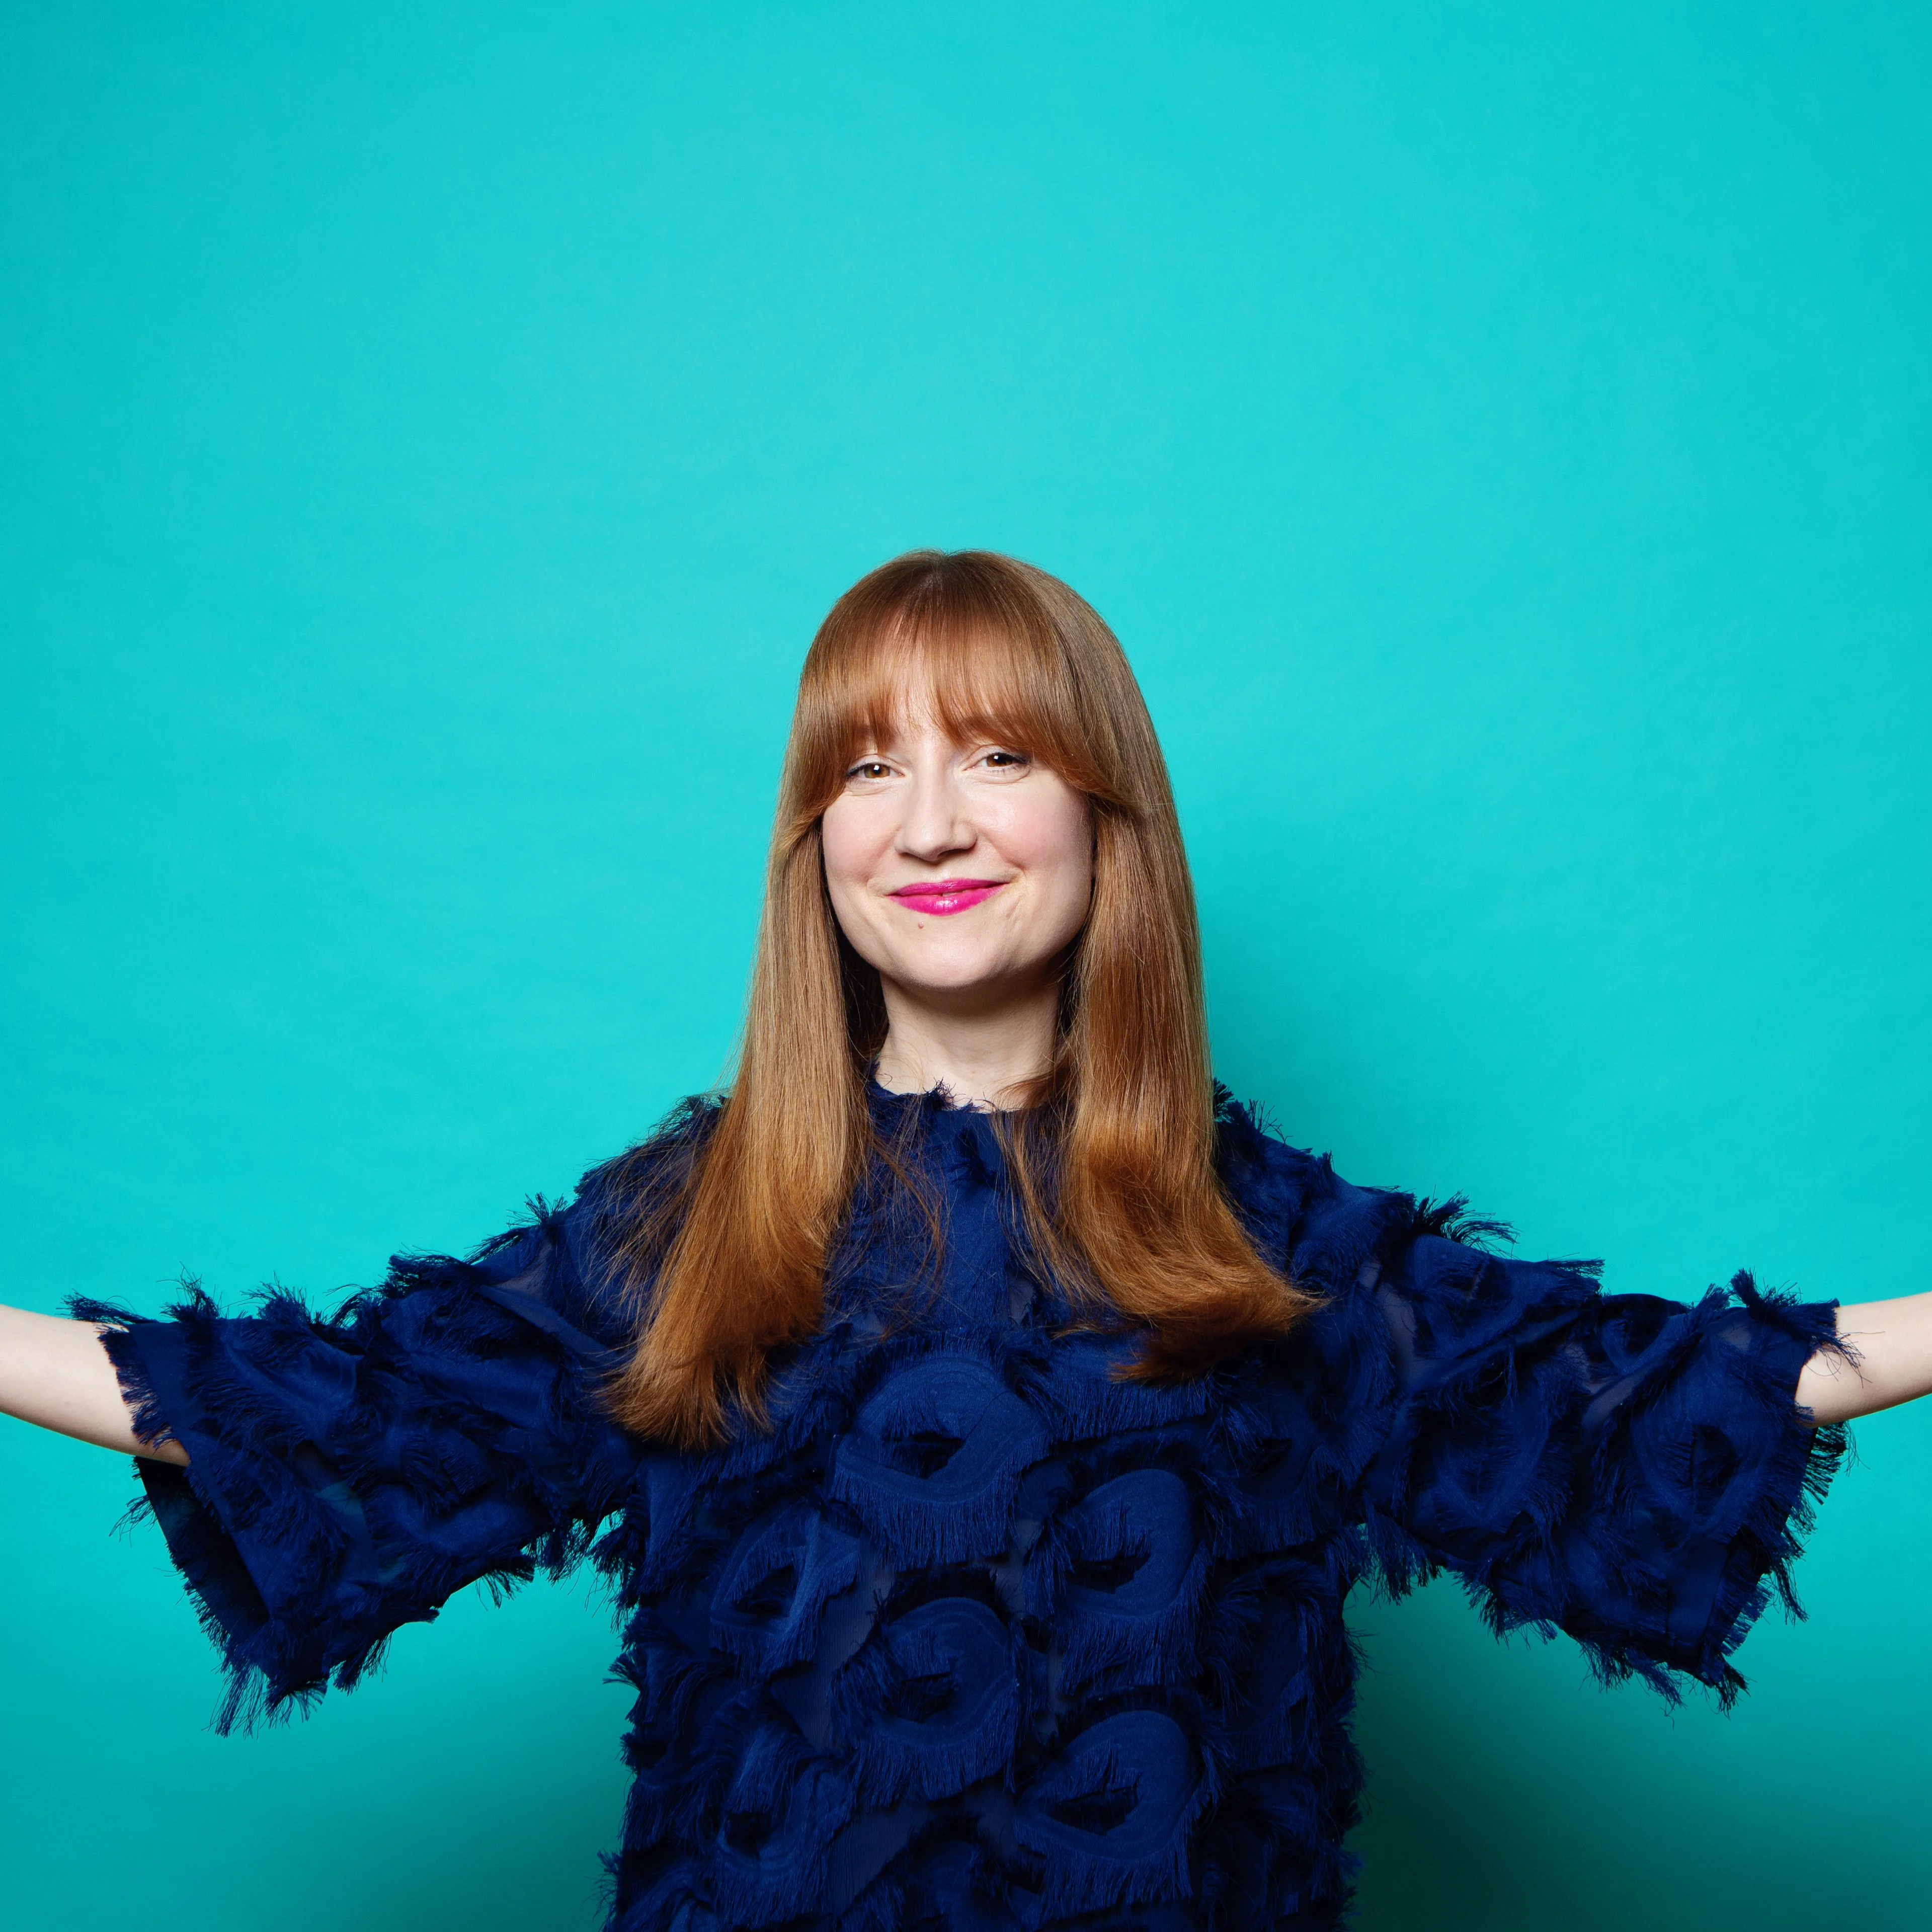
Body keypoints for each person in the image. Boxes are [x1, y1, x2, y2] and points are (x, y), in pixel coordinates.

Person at [2, 548, 1927, 1930]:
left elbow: (1629, 1407)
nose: (930, 821)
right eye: (868, 766)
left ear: (1107, 819)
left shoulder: (1268, 1239)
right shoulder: (683, 1229)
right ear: (813, 845)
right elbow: (315, 1413)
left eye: (997, 757)